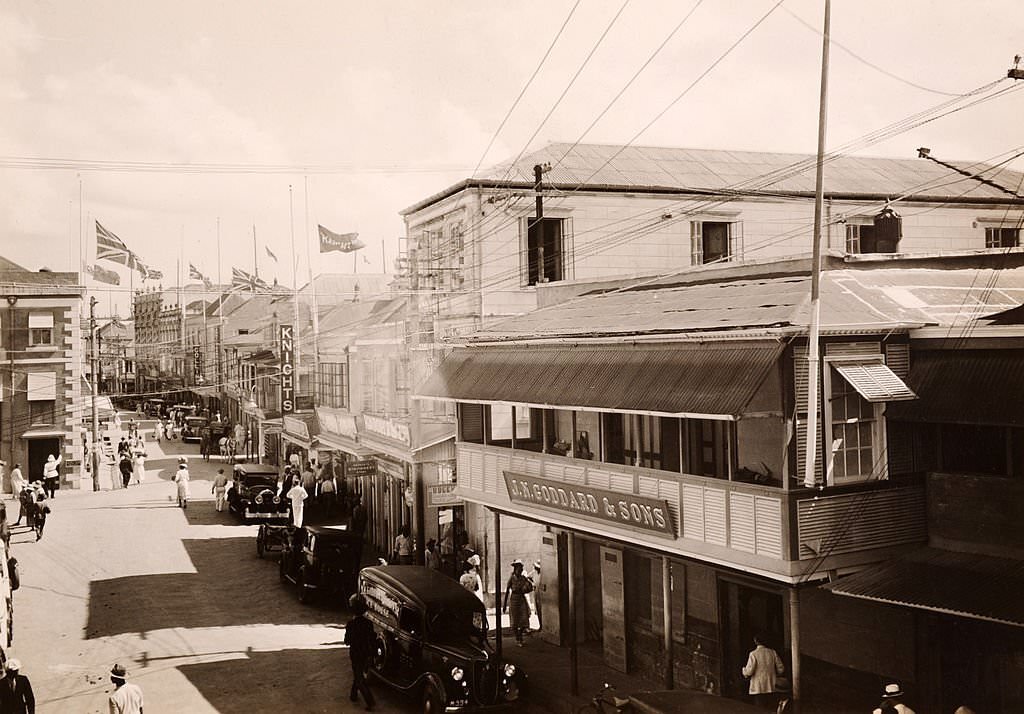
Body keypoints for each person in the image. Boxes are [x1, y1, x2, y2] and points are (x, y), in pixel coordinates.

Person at [344, 593, 376, 711]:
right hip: (366, 653)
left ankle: (370, 701)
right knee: (358, 673)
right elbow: (372, 638)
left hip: (356, 653)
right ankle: (353, 695)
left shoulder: (351, 624)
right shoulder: (368, 623)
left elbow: (347, 641)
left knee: (358, 677)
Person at [742, 635, 785, 709]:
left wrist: (744, 670)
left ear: (755, 641)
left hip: (758, 687)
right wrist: (775, 674)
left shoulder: (753, 654)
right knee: (771, 708)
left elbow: (749, 671)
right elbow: (781, 668)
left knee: (760, 709)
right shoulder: (772, 652)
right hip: (771, 686)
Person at [502, 559, 534, 646]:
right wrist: (504, 605)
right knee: (515, 621)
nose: (520, 570)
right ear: (515, 569)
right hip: (514, 599)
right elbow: (507, 591)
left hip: (521, 599)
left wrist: (528, 586)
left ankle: (520, 637)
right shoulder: (512, 579)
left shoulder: (523, 578)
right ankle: (518, 639)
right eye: (518, 569)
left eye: (521, 569)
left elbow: (530, 587)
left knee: (524, 619)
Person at [529, 561, 543, 630]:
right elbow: (528, 577)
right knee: (538, 609)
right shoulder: (534, 573)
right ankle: (540, 625)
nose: (535, 568)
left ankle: (543, 625)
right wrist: (532, 583)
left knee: (542, 609)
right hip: (536, 592)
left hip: (542, 593)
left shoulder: (543, 574)